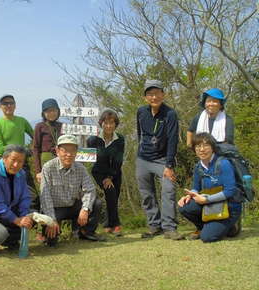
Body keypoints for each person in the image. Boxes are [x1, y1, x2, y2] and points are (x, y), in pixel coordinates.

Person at [136, 80, 183, 240]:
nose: (154, 96)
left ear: (163, 94)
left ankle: (169, 227)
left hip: (163, 160)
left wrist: (169, 165)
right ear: (145, 97)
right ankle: (154, 225)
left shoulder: (170, 114)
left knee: (168, 190)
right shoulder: (141, 112)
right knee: (146, 194)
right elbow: (139, 134)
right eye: (150, 94)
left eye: (157, 93)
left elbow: (172, 140)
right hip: (143, 159)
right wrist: (139, 153)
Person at [40, 134, 104, 246]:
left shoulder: (80, 168)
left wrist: (85, 209)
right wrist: (51, 220)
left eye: (73, 150)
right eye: (65, 150)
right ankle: (49, 236)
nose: (69, 154)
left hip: (73, 205)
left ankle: (85, 232)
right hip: (55, 209)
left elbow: (90, 189)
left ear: (77, 152)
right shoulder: (48, 168)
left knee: (96, 203)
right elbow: (45, 196)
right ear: (57, 151)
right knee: (52, 242)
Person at [178, 133, 242, 242]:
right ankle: (204, 227)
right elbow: (196, 188)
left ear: (213, 148)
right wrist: (190, 195)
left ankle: (232, 224)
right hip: (211, 204)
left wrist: (207, 200)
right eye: (198, 146)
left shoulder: (224, 163)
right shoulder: (198, 167)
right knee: (185, 206)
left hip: (230, 206)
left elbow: (230, 191)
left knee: (207, 237)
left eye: (206, 146)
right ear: (194, 149)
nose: (202, 149)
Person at [0, 95, 37, 209]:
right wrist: (22, 150)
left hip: (22, 163)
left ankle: (31, 220)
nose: (8, 106)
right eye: (5, 103)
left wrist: (32, 148)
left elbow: (35, 136)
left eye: (11, 103)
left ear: (15, 105)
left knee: (31, 195)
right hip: (4, 164)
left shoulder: (22, 121)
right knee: (7, 195)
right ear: (0, 107)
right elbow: (0, 149)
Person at [87, 108, 125, 236]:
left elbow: (118, 160)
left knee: (114, 197)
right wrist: (105, 177)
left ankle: (108, 224)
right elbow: (90, 157)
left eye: (111, 123)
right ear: (101, 123)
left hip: (115, 172)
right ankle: (116, 225)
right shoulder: (93, 139)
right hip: (99, 172)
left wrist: (111, 176)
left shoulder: (120, 139)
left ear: (115, 124)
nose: (108, 125)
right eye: (105, 122)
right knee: (110, 191)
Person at [33, 98, 63, 184]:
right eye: (48, 111)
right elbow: (35, 148)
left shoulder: (62, 126)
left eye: (54, 110)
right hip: (46, 161)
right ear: (43, 113)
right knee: (47, 187)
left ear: (58, 111)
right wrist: (38, 171)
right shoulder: (40, 126)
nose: (51, 113)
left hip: (61, 159)